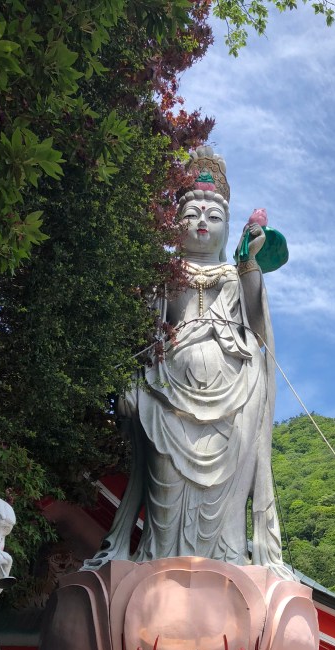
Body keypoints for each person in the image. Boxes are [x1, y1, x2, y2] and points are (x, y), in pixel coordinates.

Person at [86, 147, 292, 578]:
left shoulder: (235, 273)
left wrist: (250, 263)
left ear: (227, 228)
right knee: (165, 482)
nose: (202, 222)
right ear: (175, 224)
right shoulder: (164, 273)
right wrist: (129, 381)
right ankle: (158, 563)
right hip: (168, 389)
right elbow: (142, 333)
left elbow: (255, 328)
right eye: (192, 214)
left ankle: (229, 564)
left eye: (213, 216)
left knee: (226, 491)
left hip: (235, 389)